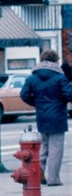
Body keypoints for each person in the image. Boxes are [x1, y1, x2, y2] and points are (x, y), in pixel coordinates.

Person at [20, 49, 72, 187]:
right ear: (56, 60)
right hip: (58, 116)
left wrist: (37, 103)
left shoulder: (32, 77)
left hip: (42, 116)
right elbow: (69, 94)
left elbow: (24, 95)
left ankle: (39, 173)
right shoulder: (60, 77)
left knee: (43, 147)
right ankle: (53, 178)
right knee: (56, 149)